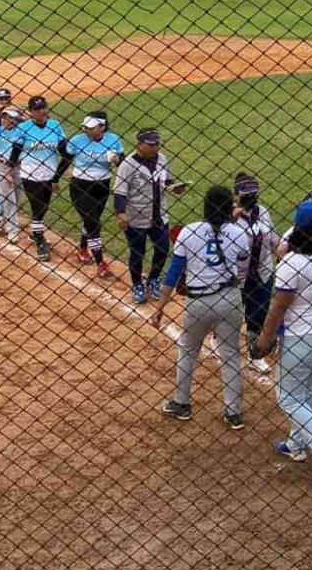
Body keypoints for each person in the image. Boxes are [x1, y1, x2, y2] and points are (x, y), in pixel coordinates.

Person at [256, 197, 312, 488]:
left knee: (287, 396)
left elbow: (279, 306)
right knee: (303, 388)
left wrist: (264, 338)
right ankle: (296, 443)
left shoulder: (292, 264)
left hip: (301, 337)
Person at [151, 185, 251, 429]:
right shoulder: (239, 234)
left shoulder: (189, 231)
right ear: (230, 208)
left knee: (187, 349)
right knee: (229, 354)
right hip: (230, 298)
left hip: (198, 302)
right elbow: (242, 264)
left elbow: (174, 272)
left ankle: (181, 403)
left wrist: (160, 306)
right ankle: (233, 413)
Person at [114, 128, 185, 303]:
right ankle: (137, 284)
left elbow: (167, 181)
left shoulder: (162, 159)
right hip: (136, 217)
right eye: (152, 144)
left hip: (160, 216)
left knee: (162, 249)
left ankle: (153, 279)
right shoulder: (127, 165)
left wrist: (176, 188)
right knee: (137, 253)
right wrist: (121, 213)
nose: (156, 147)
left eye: (157, 143)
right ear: (140, 144)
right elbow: (119, 192)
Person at [55, 113, 124, 277]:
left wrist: (116, 159)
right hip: (80, 186)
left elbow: (123, 162)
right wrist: (55, 179)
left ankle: (82, 248)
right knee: (93, 223)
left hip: (102, 186)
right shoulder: (77, 140)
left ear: (102, 127)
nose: (87, 130)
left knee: (91, 221)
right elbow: (66, 160)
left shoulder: (112, 139)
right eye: (86, 127)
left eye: (91, 127)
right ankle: (100, 262)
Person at [8, 97, 66, 262]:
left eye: (43, 107)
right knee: (38, 207)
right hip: (30, 174)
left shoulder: (55, 125)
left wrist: (57, 176)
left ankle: (36, 232)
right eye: (37, 108)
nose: (41, 111)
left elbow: (64, 152)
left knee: (44, 205)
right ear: (31, 111)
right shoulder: (23, 128)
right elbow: (15, 152)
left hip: (50, 174)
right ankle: (40, 242)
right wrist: (10, 172)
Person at [233, 172, 279, 374]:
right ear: (236, 195)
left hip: (263, 272)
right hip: (237, 276)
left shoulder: (263, 212)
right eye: (246, 194)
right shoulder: (228, 218)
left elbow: (273, 241)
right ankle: (217, 338)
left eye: (254, 194)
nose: (251, 198)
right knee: (232, 314)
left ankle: (255, 354)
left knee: (258, 314)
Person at [0, 106, 24, 241]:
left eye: (11, 117)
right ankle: (12, 230)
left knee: (18, 197)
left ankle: (5, 218)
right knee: (9, 199)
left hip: (20, 168)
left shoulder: (22, 131)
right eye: (4, 117)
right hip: (2, 168)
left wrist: (21, 114)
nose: (7, 120)